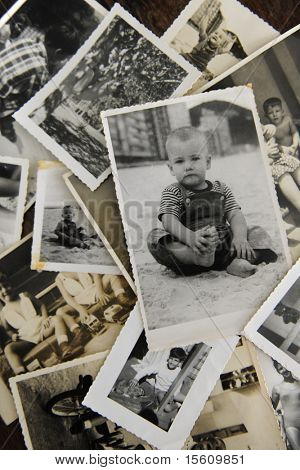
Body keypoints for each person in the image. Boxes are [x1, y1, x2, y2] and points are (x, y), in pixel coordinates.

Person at [148, 127, 278, 278]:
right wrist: (191, 238)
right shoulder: (173, 191)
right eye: (179, 161)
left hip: (224, 246)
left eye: (195, 158)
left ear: (208, 162)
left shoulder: (221, 188)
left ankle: (238, 261)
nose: (188, 166)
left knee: (256, 231)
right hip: (191, 250)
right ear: (171, 168)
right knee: (155, 237)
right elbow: (169, 220)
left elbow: (235, 213)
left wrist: (240, 237)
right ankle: (199, 258)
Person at [0, 21, 79, 142]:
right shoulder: (40, 72)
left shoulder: (26, 42)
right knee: (23, 107)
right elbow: (23, 107)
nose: (64, 61)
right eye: (66, 57)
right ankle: (6, 128)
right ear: (58, 52)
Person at [0, 273, 86, 374]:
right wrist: (13, 335)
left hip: (42, 328)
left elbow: (41, 305)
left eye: (6, 285)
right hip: (27, 339)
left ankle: (65, 347)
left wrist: (45, 318)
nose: (4, 290)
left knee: (57, 319)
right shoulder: (3, 313)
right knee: (8, 349)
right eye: (0, 289)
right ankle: (21, 373)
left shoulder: (24, 296)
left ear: (11, 284)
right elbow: (8, 330)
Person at [263, 97, 300, 215]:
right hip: (282, 154)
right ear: (266, 116)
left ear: (283, 112)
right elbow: (275, 146)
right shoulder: (270, 131)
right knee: (284, 172)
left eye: (277, 111)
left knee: (295, 166)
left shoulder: (287, 121)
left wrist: (295, 145)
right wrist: (284, 149)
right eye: (270, 113)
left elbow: (295, 132)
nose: (274, 115)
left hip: (292, 151)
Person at [55, 273, 135, 324]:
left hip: (94, 290)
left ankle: (123, 299)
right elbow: (68, 298)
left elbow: (96, 275)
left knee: (110, 275)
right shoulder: (59, 279)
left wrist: (100, 292)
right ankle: (77, 331)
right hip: (80, 301)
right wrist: (80, 309)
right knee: (60, 311)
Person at [272, 360, 300, 450]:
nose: (284, 370)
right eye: (280, 369)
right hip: (292, 426)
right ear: (278, 371)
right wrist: (281, 425)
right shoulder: (277, 388)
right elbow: (272, 408)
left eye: (284, 366)